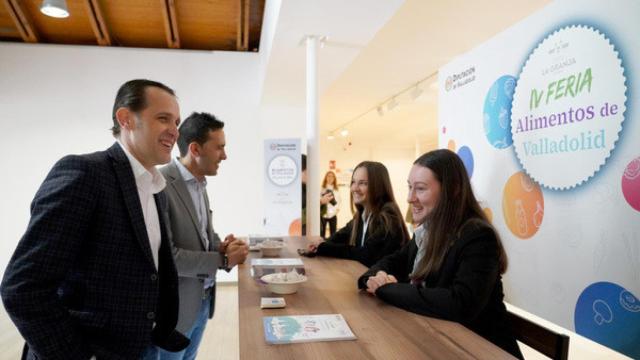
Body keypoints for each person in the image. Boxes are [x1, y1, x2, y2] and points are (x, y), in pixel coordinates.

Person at [0, 79, 189, 359]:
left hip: (138, 346)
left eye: (177, 122)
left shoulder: (155, 189)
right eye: (163, 119)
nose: (174, 131)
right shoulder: (85, 174)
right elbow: (23, 287)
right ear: (125, 119)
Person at [357, 149, 523, 359]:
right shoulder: (428, 231)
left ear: (452, 190)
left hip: (482, 351)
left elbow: (459, 304)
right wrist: (372, 278)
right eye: (409, 187)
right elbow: (391, 261)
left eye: (420, 189)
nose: (410, 198)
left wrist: (387, 289)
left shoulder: (478, 236)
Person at [143, 112, 249, 360]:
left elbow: (203, 234)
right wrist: (221, 260)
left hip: (201, 303)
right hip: (175, 311)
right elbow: (168, 257)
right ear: (195, 148)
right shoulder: (159, 184)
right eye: (219, 148)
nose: (225, 155)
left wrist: (221, 247)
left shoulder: (199, 184)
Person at [307, 161, 410, 267]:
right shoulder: (362, 214)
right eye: (353, 182)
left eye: (362, 183)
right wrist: (322, 243)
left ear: (378, 186)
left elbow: (366, 255)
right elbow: (341, 236)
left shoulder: (388, 215)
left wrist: (323, 247)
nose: (354, 188)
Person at [320, 170, 341, 238]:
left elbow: (339, 201)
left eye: (332, 176)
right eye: (328, 176)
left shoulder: (336, 190)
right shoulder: (321, 189)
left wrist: (337, 209)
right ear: (326, 177)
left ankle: (331, 247)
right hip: (323, 215)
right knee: (321, 234)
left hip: (333, 214)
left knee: (333, 234)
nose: (330, 178)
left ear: (334, 178)